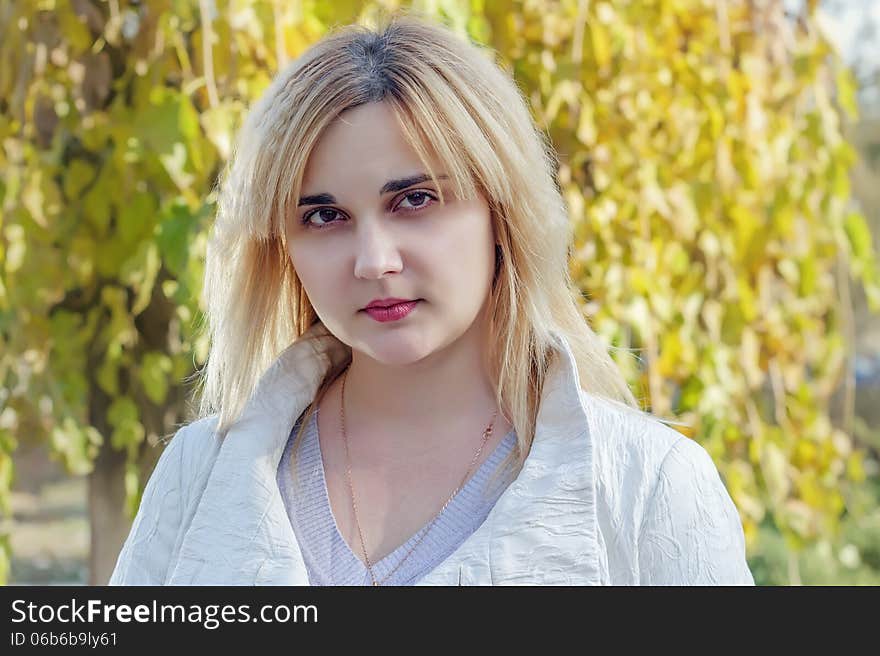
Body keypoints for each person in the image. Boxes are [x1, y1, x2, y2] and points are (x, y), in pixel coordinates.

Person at [109, 13, 754, 586]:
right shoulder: (198, 477)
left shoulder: (650, 488)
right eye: (325, 216)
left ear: (502, 214)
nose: (374, 260)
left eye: (414, 201)